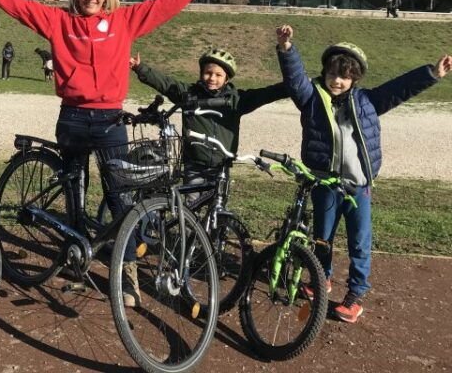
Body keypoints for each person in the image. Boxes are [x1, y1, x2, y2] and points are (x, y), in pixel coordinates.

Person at [0, 0, 224, 307]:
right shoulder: (58, 21)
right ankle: (75, 254)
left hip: (110, 120)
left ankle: (126, 275)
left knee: (120, 198)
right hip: (74, 118)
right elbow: (18, 6)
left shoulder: (125, 21)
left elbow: (164, 5)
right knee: (75, 190)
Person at [275, 24, 451, 323]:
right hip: (325, 184)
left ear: (354, 79)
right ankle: (322, 279)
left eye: (344, 76)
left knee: (359, 242)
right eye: (332, 74)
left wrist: (432, 74)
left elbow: (399, 88)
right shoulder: (312, 99)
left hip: (358, 188)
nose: (337, 81)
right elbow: (294, 79)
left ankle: (355, 294)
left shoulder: (368, 101)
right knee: (322, 238)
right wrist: (286, 49)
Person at [130, 48, 287, 171]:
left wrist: (294, 85)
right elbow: (164, 83)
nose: (212, 78)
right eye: (208, 73)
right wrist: (140, 68)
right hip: (193, 166)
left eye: (218, 75)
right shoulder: (188, 94)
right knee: (190, 207)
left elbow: (267, 94)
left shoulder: (236, 100)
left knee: (217, 209)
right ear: (201, 74)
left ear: (227, 79)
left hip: (222, 166)